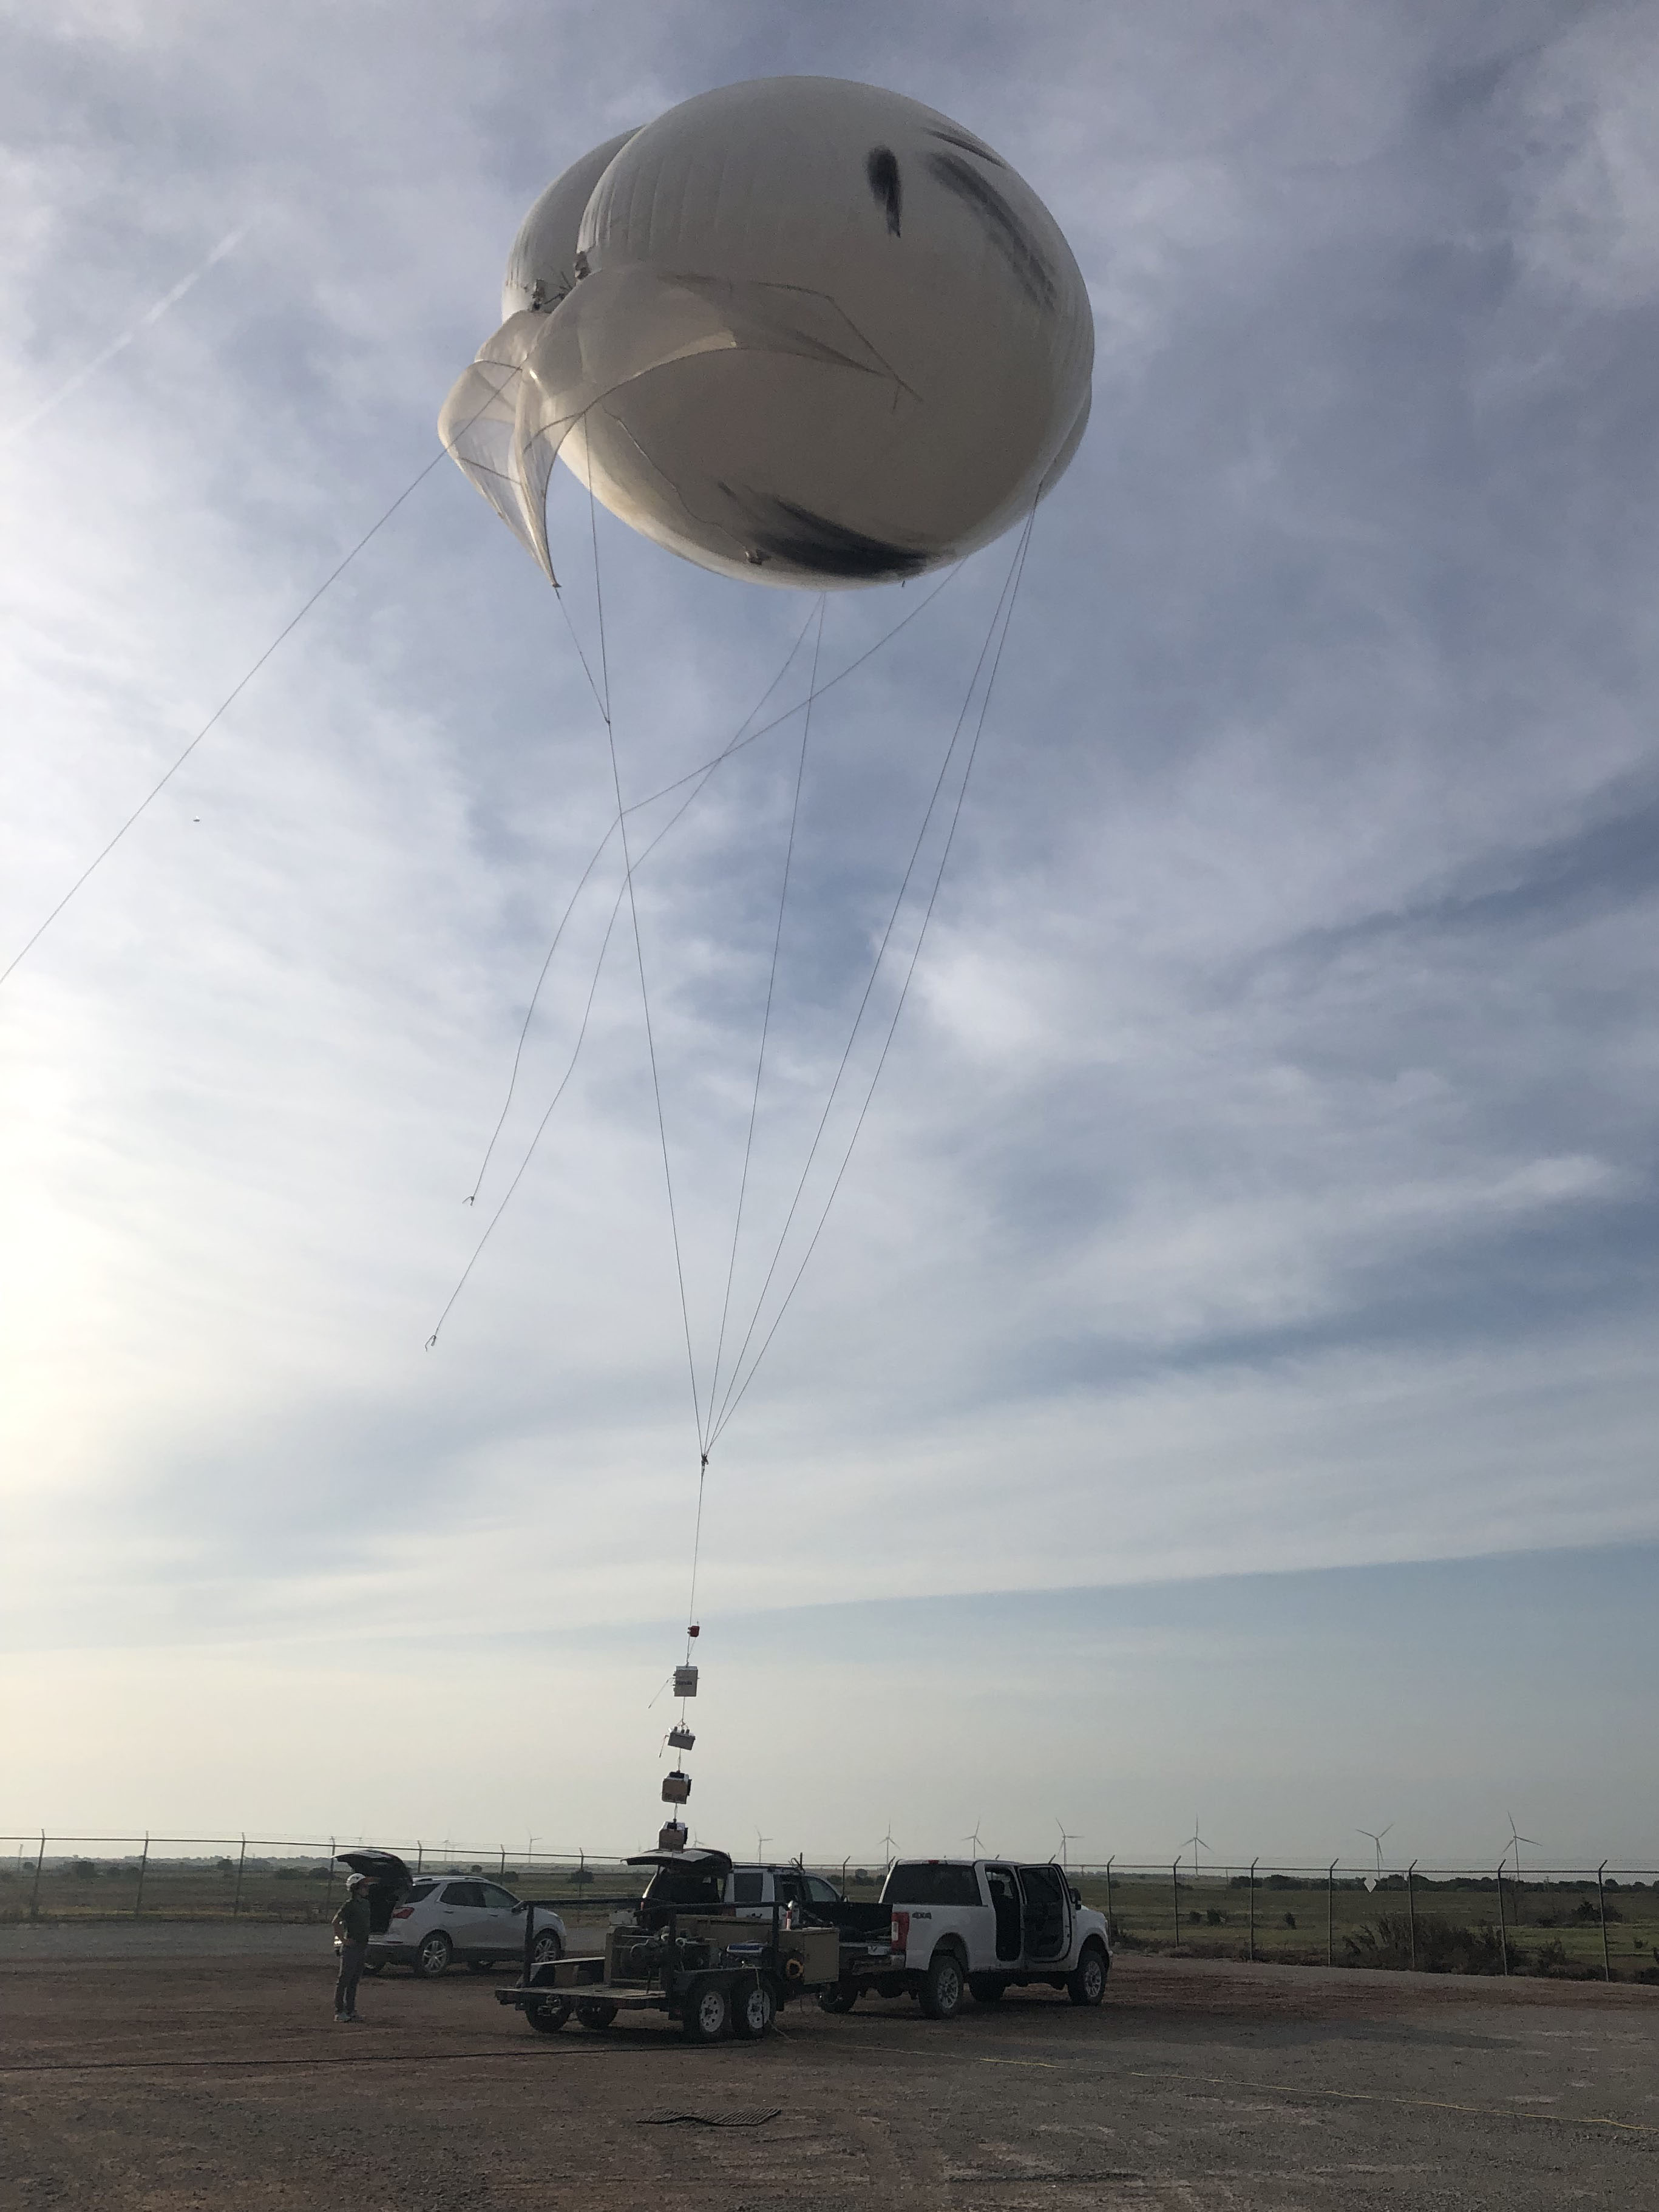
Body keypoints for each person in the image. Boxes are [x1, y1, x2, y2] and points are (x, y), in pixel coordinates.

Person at [331, 1873, 373, 2023]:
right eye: (364, 1886)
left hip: (362, 1946)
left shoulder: (366, 1904)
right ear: (355, 1888)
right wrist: (343, 1940)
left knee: (354, 1980)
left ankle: (351, 2010)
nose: (367, 1889)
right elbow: (336, 1922)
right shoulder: (350, 1905)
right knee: (344, 1979)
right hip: (352, 1947)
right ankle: (339, 2011)